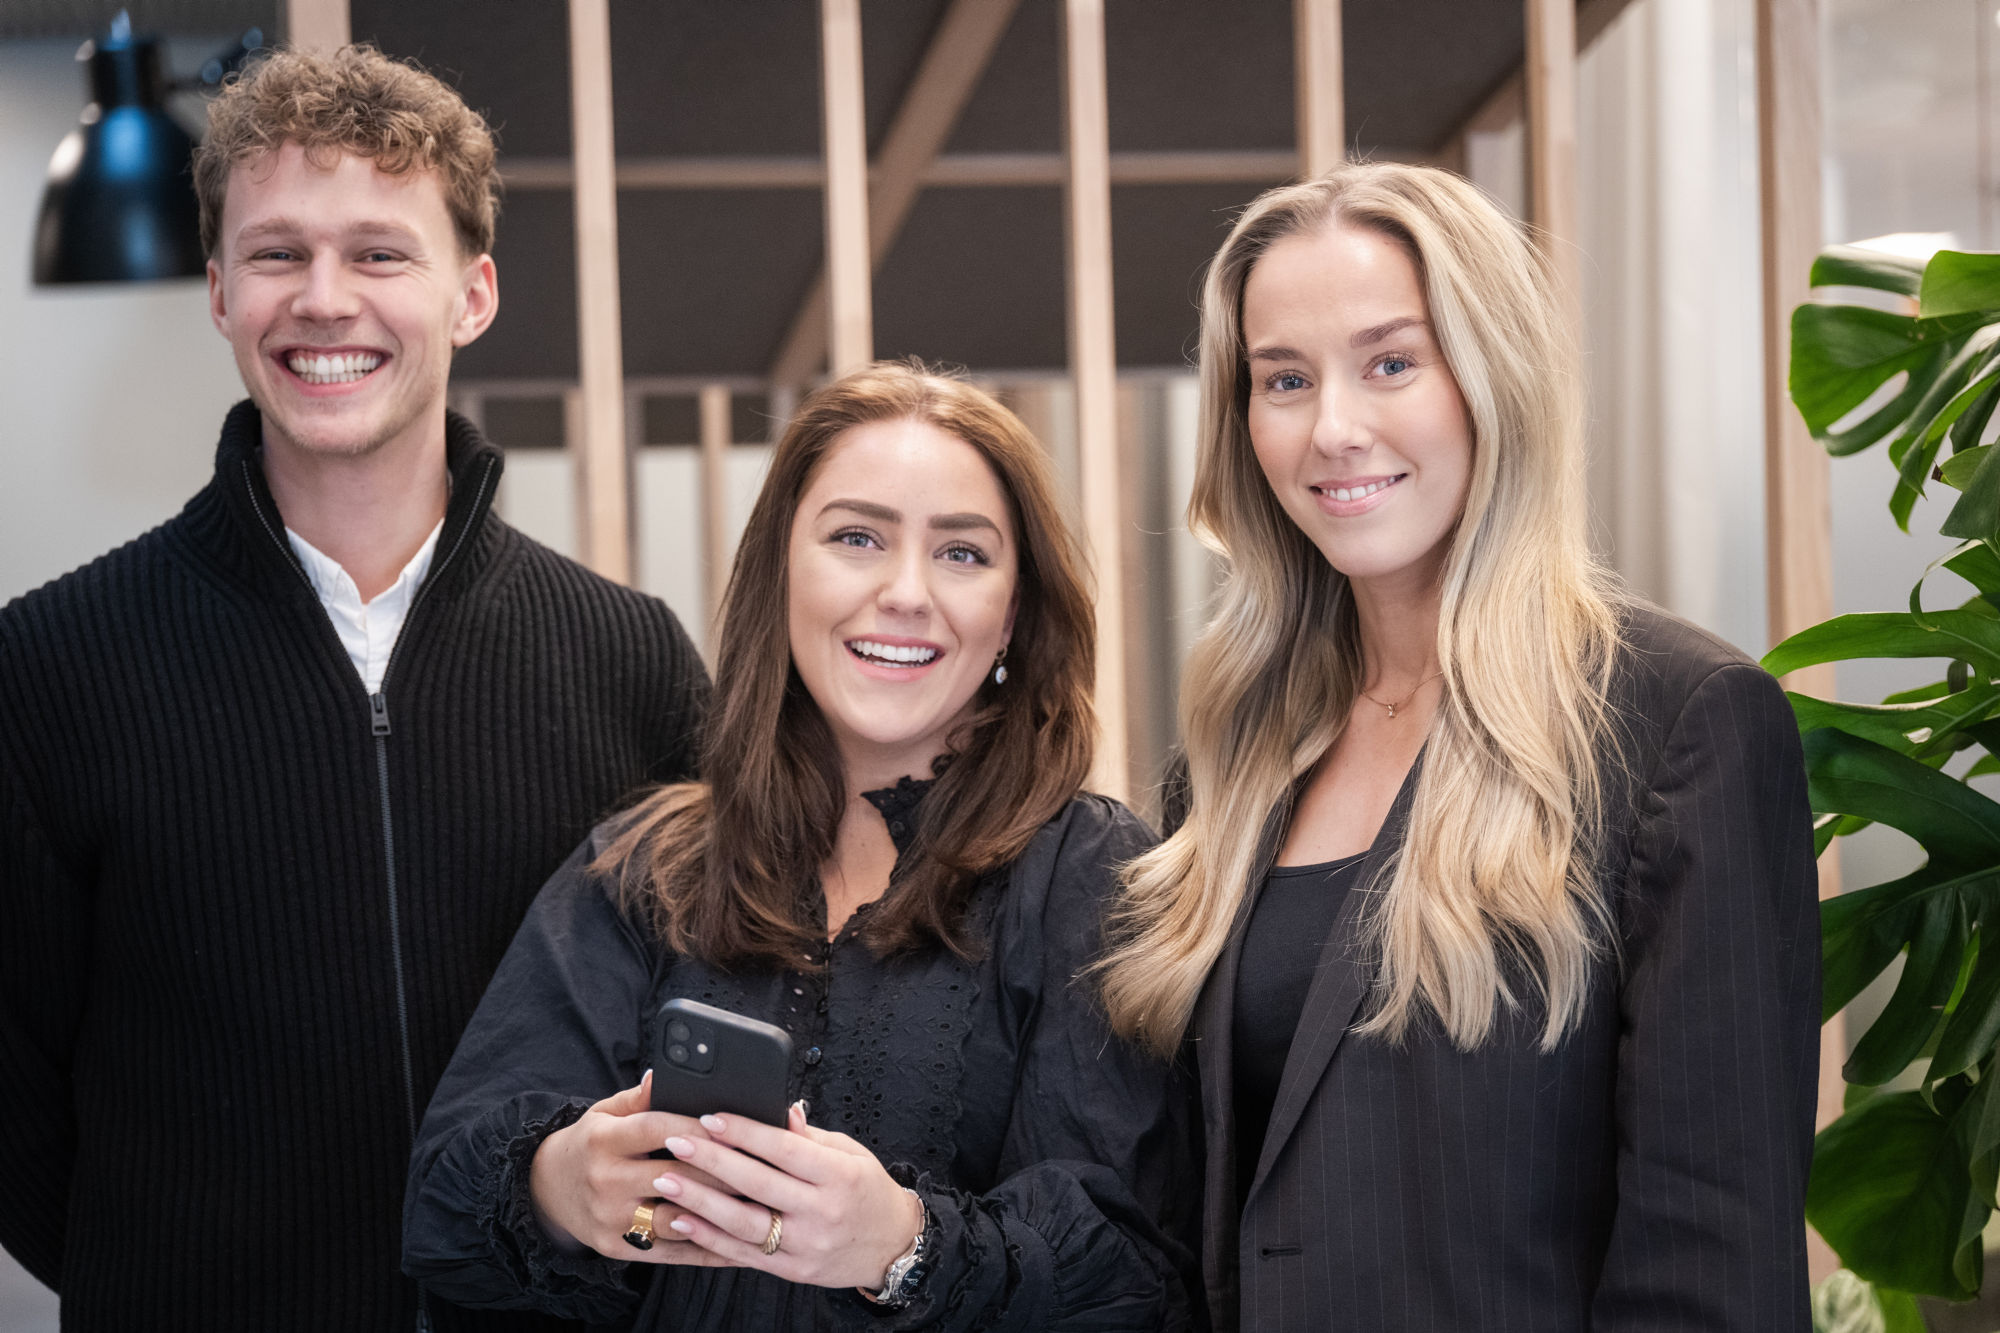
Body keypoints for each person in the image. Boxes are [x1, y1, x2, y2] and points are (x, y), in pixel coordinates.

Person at [0, 45, 707, 1332]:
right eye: (277, 255)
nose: (324, 300)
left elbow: (700, 1027)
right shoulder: (49, 666)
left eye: (380, 254)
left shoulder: (633, 659)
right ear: (218, 292)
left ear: (472, 294)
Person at [1095, 163, 1822, 1331]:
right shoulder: (1234, 768)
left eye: (1390, 362)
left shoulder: (1674, 724)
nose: (1332, 427)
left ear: (1493, 378)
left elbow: (1714, 1262)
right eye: (1282, 378)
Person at [402, 362, 1201, 1331]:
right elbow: (443, 1200)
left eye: (961, 553)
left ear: (1016, 614)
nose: (905, 591)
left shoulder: (1089, 875)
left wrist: (900, 1244)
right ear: (780, 572)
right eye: (855, 537)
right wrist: (563, 1183)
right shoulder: (646, 867)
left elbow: (1135, 1267)